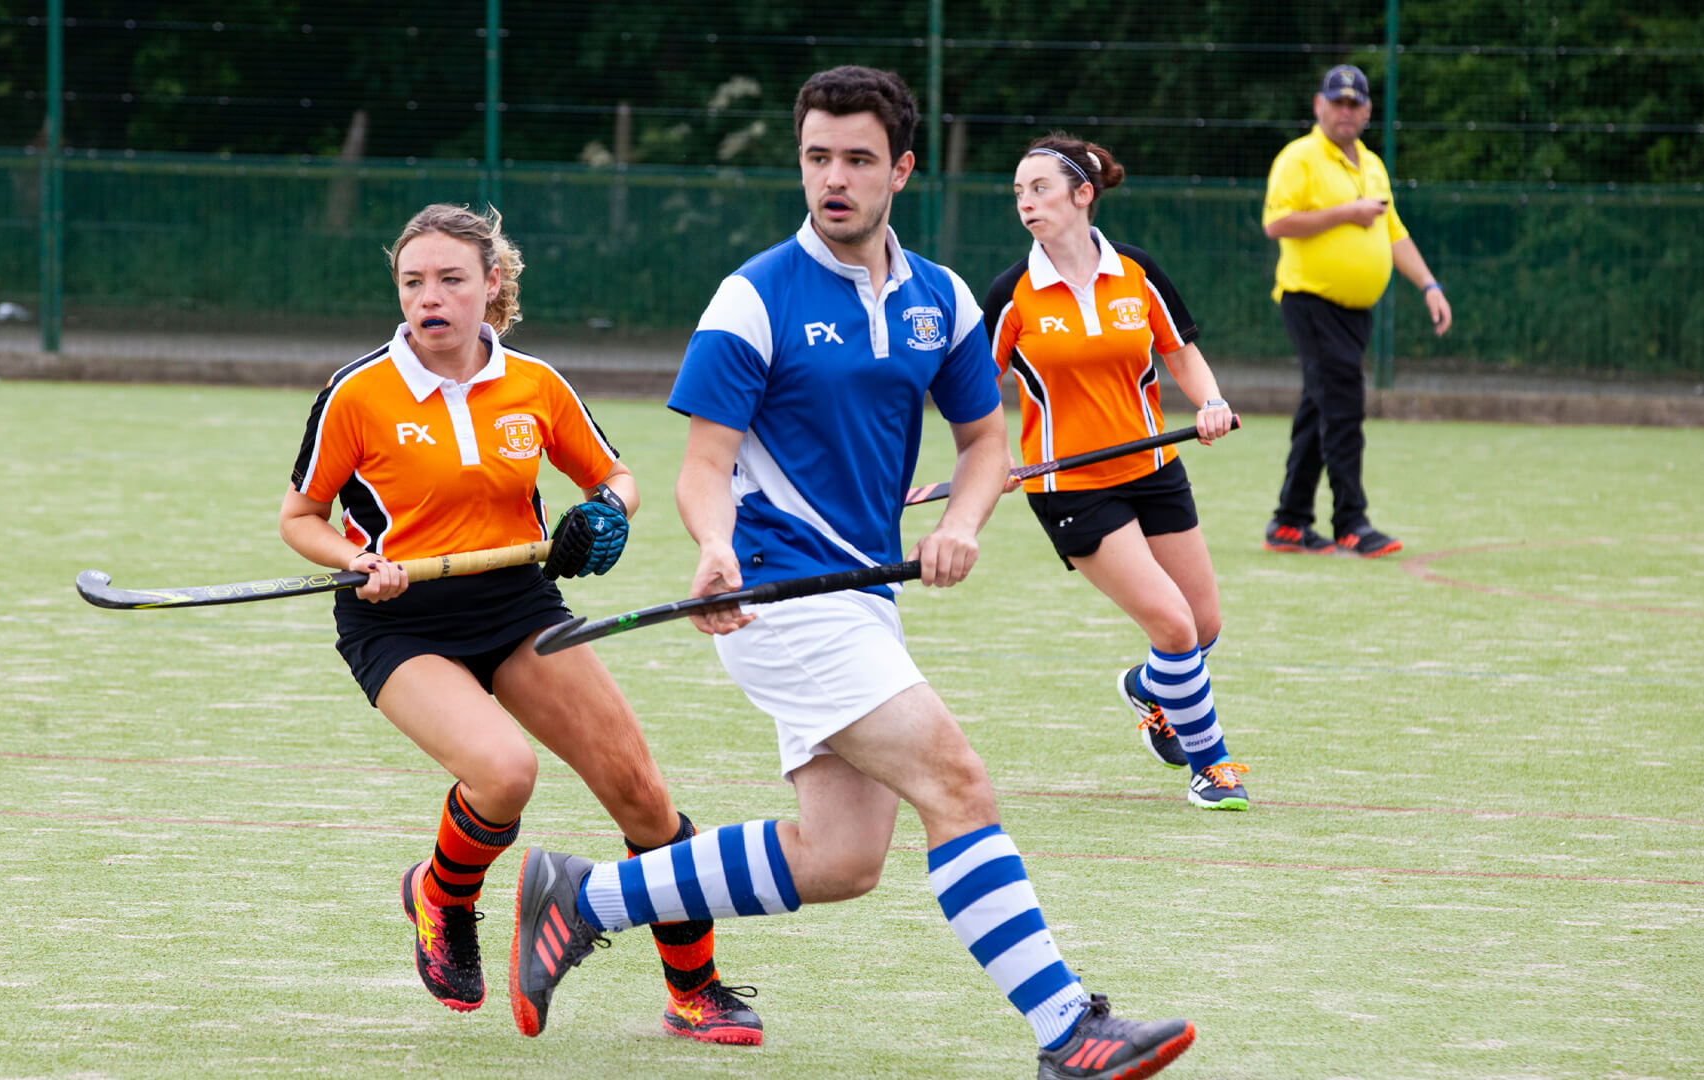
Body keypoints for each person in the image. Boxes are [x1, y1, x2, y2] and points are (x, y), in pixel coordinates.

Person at [506, 67, 1196, 1080]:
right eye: (818, 157)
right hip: (780, 601)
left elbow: (983, 442)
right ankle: (1066, 1030)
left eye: (858, 160)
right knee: (958, 782)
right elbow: (703, 469)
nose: (835, 179)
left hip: (866, 604)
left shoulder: (941, 300)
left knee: (841, 859)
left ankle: (582, 898)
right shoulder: (754, 297)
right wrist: (714, 547)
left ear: (901, 170)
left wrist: (964, 521)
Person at [279, 203, 762, 1046]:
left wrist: (604, 514)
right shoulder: (357, 392)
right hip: (398, 621)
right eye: (413, 282)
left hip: (514, 602)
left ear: (490, 285)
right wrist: (355, 560)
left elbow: (615, 475)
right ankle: (443, 896)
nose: (429, 298)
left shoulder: (535, 385)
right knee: (504, 773)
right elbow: (301, 516)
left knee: (643, 795)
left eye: (450, 280)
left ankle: (695, 990)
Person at [982, 133, 1250, 811]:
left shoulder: (1136, 271)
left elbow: (1179, 352)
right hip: (1069, 484)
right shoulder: (1012, 294)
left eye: (1039, 188)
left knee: (1204, 624)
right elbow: (973, 396)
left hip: (1154, 464)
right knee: (1174, 626)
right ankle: (1211, 766)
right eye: (1018, 192)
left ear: (1083, 195)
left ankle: (1149, 688)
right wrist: (995, 460)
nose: (1026, 203)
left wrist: (1211, 401)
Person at [1262, 64, 1453, 558]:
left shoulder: (1370, 164)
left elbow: (1393, 232)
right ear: (1318, 106)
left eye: (1354, 104)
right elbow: (1277, 222)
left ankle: (1289, 521)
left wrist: (1429, 284)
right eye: (1337, 102)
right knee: (1343, 405)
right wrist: (1345, 214)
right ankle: (1351, 522)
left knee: (1319, 405)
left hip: (1354, 313)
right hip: (1310, 301)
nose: (1345, 112)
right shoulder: (1299, 158)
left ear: (1367, 112)